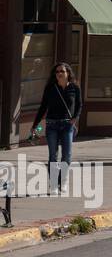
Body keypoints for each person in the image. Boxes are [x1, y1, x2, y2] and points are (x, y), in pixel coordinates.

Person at [32, 62, 82, 193]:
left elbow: (79, 105)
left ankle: (63, 182)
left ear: (68, 73)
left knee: (67, 155)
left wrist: (74, 118)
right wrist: (35, 125)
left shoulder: (74, 88)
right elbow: (43, 107)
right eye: (57, 72)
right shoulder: (50, 88)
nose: (59, 73)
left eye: (62, 71)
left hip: (67, 125)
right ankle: (54, 184)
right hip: (52, 124)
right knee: (53, 156)